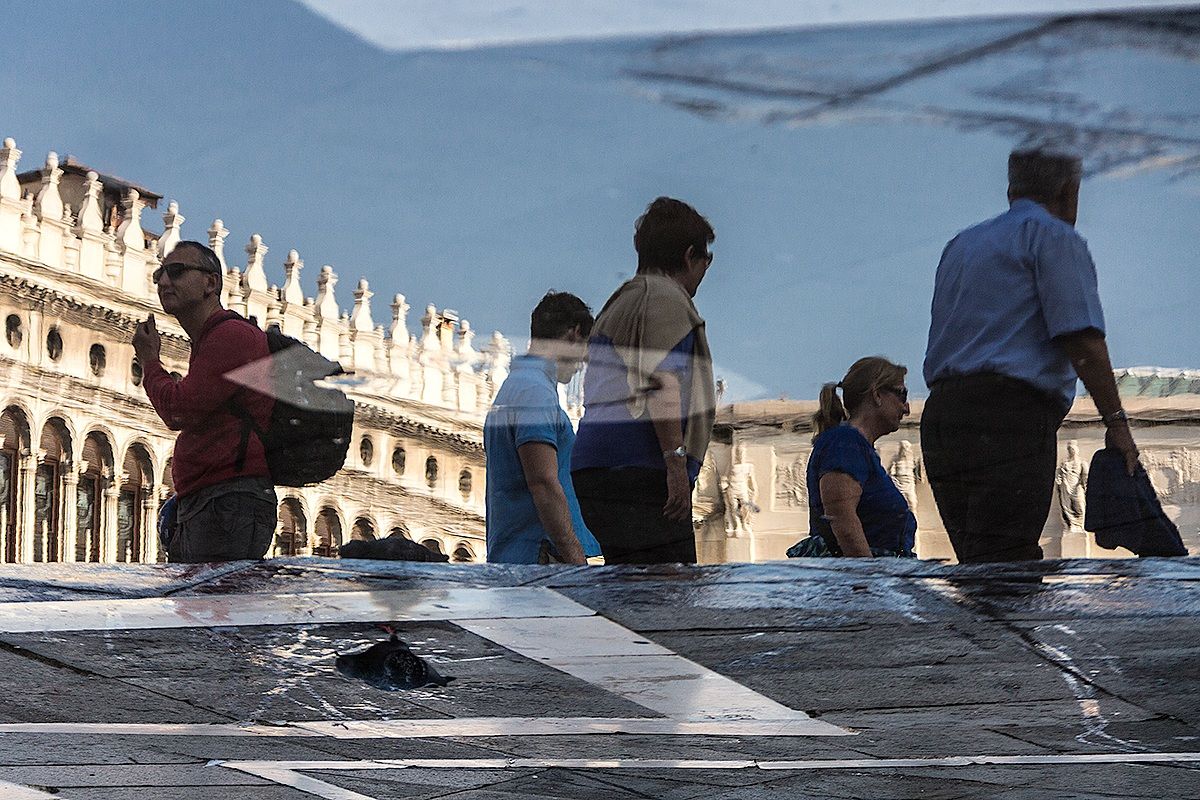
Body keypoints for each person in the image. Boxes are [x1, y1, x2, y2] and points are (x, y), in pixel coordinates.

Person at [922, 148, 1139, 563]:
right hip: (1009, 416)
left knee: (979, 565)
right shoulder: (1054, 237)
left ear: (1011, 189)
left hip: (943, 417)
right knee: (1007, 568)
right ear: (1067, 188)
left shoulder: (960, 245)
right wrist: (1117, 424)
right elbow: (1083, 341)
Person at [571, 197, 716, 564]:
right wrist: (675, 464)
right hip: (639, 469)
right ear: (688, 257)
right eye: (706, 259)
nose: (706, 269)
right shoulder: (665, 299)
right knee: (669, 596)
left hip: (597, 467)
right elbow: (660, 382)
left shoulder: (621, 301)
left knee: (629, 593)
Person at [132, 241, 277, 562]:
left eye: (177, 272)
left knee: (209, 609)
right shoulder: (212, 339)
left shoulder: (231, 337)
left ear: (211, 283)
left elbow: (178, 410)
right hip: (213, 502)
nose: (164, 282)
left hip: (226, 503)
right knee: (196, 609)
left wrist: (150, 361)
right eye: (160, 275)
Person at [484, 292, 602, 565]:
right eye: (585, 347)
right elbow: (543, 483)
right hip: (539, 561)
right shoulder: (533, 391)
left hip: (521, 557)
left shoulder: (519, 387)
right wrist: (576, 561)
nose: (584, 362)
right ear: (574, 335)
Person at [796, 357, 916, 558]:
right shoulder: (845, 442)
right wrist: (869, 580)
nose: (906, 408)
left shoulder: (854, 445)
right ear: (877, 394)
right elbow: (842, 518)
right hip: (863, 580)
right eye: (902, 394)